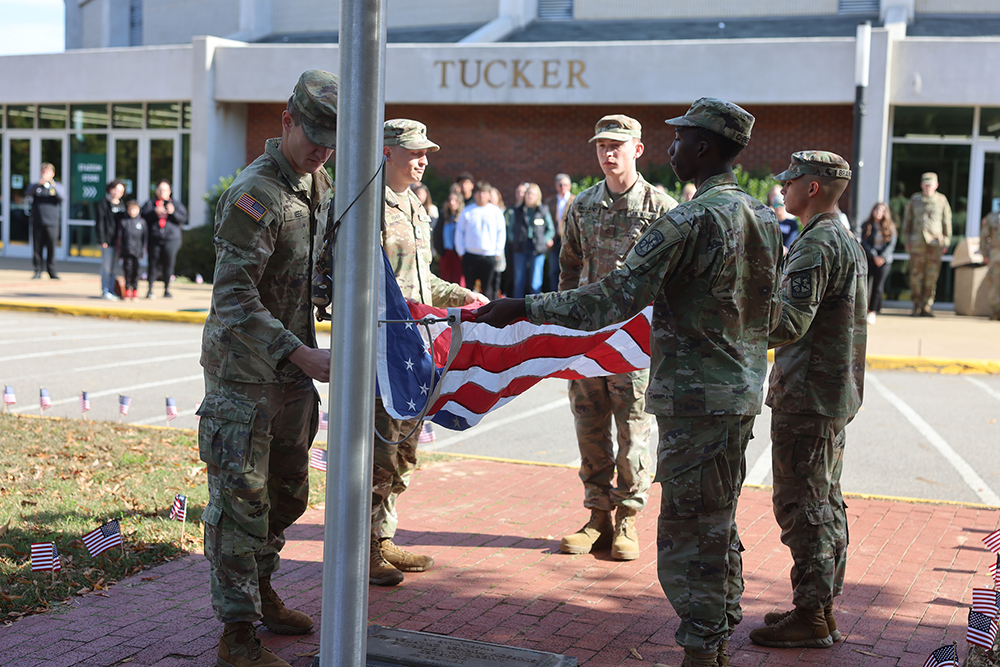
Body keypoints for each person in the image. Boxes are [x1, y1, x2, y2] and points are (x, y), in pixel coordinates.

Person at [475, 98, 784, 667]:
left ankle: (702, 649)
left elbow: (612, 299)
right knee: (717, 519)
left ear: (705, 147)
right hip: (739, 393)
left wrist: (523, 307)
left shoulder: (686, 219)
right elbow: (779, 316)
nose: (672, 148)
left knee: (688, 533)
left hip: (694, 397)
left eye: (680, 139)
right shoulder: (763, 218)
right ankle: (718, 634)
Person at [198, 69, 337, 667]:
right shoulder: (254, 195)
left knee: (287, 495)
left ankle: (262, 590)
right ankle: (237, 637)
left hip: (292, 374)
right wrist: (299, 352)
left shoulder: (319, 183)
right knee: (240, 506)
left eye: (332, 142)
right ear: (286, 121)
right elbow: (233, 298)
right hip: (245, 377)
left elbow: (312, 271)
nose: (322, 151)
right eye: (314, 137)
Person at [748, 151, 867, 650]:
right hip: (830, 392)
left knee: (803, 506)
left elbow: (789, 323)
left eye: (790, 181)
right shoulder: (845, 238)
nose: (783, 189)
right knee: (826, 501)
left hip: (808, 395)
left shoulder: (816, 243)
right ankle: (820, 607)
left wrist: (737, 311)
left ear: (811, 188)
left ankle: (812, 615)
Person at [373, 119, 488, 587]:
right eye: (415, 152)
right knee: (380, 446)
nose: (423, 160)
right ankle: (363, 547)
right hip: (384, 345)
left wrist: (463, 296)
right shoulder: (366, 204)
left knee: (403, 447)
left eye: (426, 152)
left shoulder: (415, 206)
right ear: (386, 152)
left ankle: (382, 536)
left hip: (417, 344)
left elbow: (423, 280)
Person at [557, 114, 677, 562]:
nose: (608, 153)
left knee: (633, 433)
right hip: (589, 341)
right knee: (589, 427)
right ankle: (598, 517)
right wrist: (566, 329)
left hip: (635, 344)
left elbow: (675, 279)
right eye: (601, 146)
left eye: (617, 146)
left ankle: (627, 517)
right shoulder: (582, 205)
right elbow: (569, 269)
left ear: (637, 150)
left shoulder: (661, 208)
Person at [902, 172, 952, 317]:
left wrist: (946, 241)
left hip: (934, 245)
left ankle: (927, 305)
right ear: (921, 185)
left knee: (931, 276)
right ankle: (916, 305)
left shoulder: (942, 200)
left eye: (930, 185)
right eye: (925, 185)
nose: (928, 187)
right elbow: (907, 221)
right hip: (917, 244)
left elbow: (947, 221)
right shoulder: (915, 200)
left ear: (936, 185)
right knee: (915, 276)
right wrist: (907, 241)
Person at [455, 180, 506, 300]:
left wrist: (498, 251)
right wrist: (461, 251)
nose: (481, 195)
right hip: (470, 254)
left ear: (489, 195)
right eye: (478, 192)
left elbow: (501, 232)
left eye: (484, 192)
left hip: (489, 255)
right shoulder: (467, 210)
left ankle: (488, 310)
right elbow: (459, 232)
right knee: (469, 290)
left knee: (488, 289)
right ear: (474, 194)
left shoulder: (496, 211)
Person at [142, 180, 188, 299]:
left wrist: (173, 212)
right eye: (160, 189)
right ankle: (150, 290)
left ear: (170, 191)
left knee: (169, 264)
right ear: (156, 191)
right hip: (154, 239)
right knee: (153, 264)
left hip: (171, 239)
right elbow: (142, 216)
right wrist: (154, 212)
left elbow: (183, 219)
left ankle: (167, 289)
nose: (162, 192)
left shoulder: (176, 204)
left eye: (165, 190)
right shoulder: (151, 203)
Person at [508, 183, 554, 298]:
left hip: (537, 249)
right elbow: (510, 229)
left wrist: (544, 241)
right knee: (519, 280)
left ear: (538, 196)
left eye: (533, 194)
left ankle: (535, 306)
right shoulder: (517, 211)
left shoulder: (542, 210)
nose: (530, 196)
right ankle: (516, 306)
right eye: (528, 193)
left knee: (535, 282)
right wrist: (514, 240)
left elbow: (550, 229)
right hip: (520, 248)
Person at [27, 163, 66, 280]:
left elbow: (63, 197)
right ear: (41, 173)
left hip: (52, 222)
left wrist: (52, 185)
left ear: (52, 174)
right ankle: (38, 270)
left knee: (51, 248)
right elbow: (27, 193)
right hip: (38, 221)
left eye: (48, 172)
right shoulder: (36, 186)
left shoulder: (57, 186)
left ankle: (51, 271)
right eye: (44, 172)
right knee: (37, 248)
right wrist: (39, 184)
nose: (45, 174)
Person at [860, 202, 897, 324]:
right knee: (865, 285)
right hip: (870, 259)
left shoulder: (890, 227)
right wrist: (874, 255)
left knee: (878, 286)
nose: (879, 212)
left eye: (882, 210)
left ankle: (873, 311)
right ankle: (863, 310)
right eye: (877, 210)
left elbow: (891, 245)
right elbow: (864, 242)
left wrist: (882, 257)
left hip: (884, 261)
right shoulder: (867, 225)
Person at [95, 179, 126, 299]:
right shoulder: (103, 203)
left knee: (114, 268)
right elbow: (100, 223)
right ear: (110, 189)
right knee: (106, 266)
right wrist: (102, 240)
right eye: (116, 190)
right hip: (107, 241)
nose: (118, 193)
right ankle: (105, 290)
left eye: (120, 191)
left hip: (118, 241)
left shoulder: (122, 205)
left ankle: (112, 289)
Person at [544, 173, 574, 291]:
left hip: (568, 241)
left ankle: (565, 295)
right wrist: (547, 238)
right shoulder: (550, 202)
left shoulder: (575, 200)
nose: (563, 187)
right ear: (556, 186)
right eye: (560, 185)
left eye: (565, 185)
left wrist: (567, 237)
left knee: (567, 270)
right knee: (553, 270)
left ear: (569, 186)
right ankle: (553, 295)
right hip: (554, 241)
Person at [432, 186, 466, 286]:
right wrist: (440, 251)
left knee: (458, 282)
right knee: (445, 281)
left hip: (458, 254)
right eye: (450, 200)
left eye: (455, 200)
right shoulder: (444, 216)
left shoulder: (463, 216)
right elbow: (437, 234)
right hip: (446, 253)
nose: (452, 202)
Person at [118, 200, 146, 301]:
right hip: (127, 252)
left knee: (137, 271)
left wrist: (142, 251)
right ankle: (127, 290)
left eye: (135, 209)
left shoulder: (142, 222)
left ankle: (135, 289)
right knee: (128, 271)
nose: (132, 212)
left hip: (137, 252)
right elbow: (120, 238)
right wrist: (121, 252)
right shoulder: (124, 222)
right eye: (131, 209)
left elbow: (144, 238)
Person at [981, 207, 1000, 321]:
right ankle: (996, 312)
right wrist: (985, 254)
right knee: (994, 284)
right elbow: (984, 236)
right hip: (995, 255)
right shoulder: (992, 217)